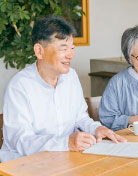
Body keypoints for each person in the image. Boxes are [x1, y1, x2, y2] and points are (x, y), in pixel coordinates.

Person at [0, 16, 126, 162]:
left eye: (72, 48)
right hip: (24, 163)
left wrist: (96, 129)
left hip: (64, 158)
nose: (71, 55)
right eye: (63, 48)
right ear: (39, 51)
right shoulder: (19, 86)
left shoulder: (71, 76)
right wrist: (66, 143)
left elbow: (80, 117)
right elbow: (21, 141)